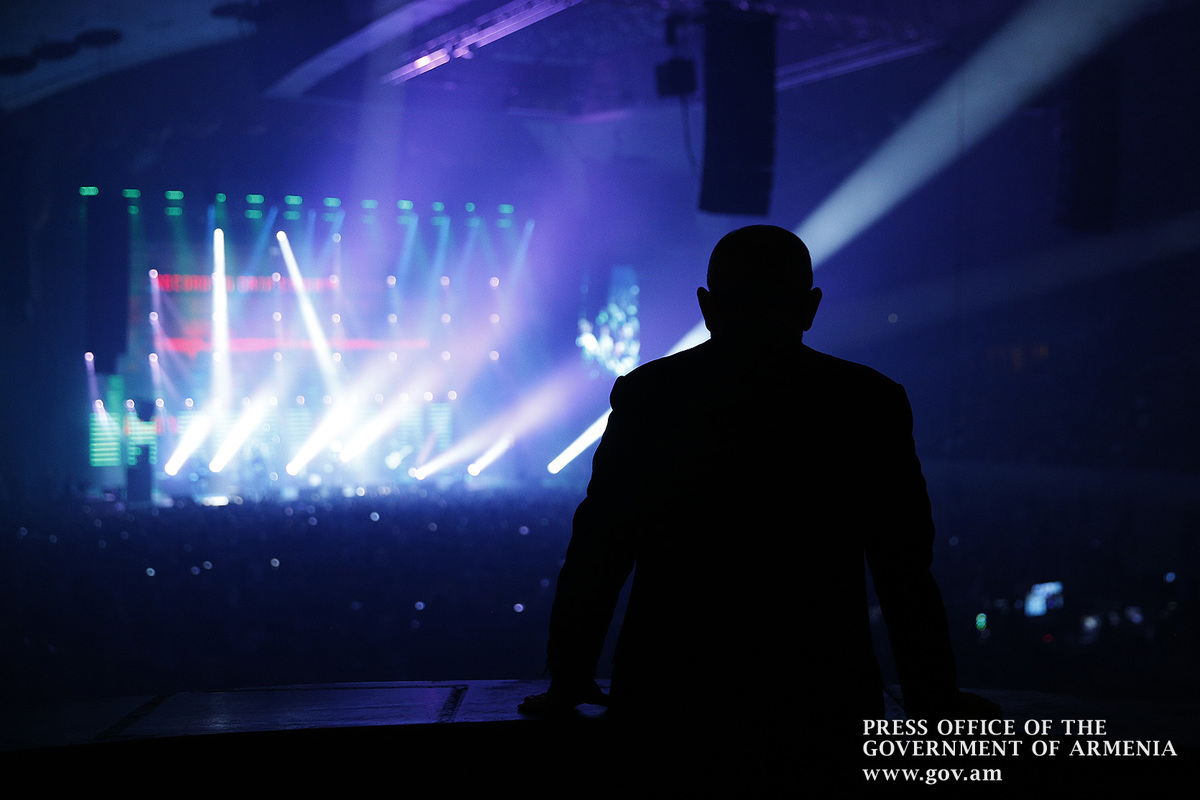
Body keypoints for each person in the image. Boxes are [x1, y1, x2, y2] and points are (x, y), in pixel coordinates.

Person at [520, 225, 972, 776]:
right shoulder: (868, 401)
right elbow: (904, 571)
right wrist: (934, 701)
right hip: (822, 696)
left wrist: (569, 677)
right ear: (810, 307)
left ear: (707, 308)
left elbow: (599, 549)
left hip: (669, 693)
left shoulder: (650, 394)